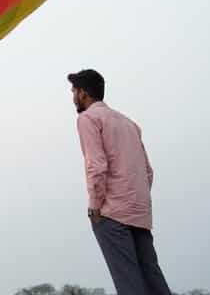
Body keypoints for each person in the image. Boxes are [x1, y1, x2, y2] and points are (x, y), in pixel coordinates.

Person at [69, 69, 172, 295]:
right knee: (153, 278)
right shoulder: (129, 123)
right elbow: (148, 172)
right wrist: (136, 202)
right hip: (139, 212)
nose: (73, 96)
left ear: (84, 93)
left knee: (129, 283)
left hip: (112, 214)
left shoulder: (88, 119)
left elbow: (96, 166)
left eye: (74, 91)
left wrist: (95, 207)